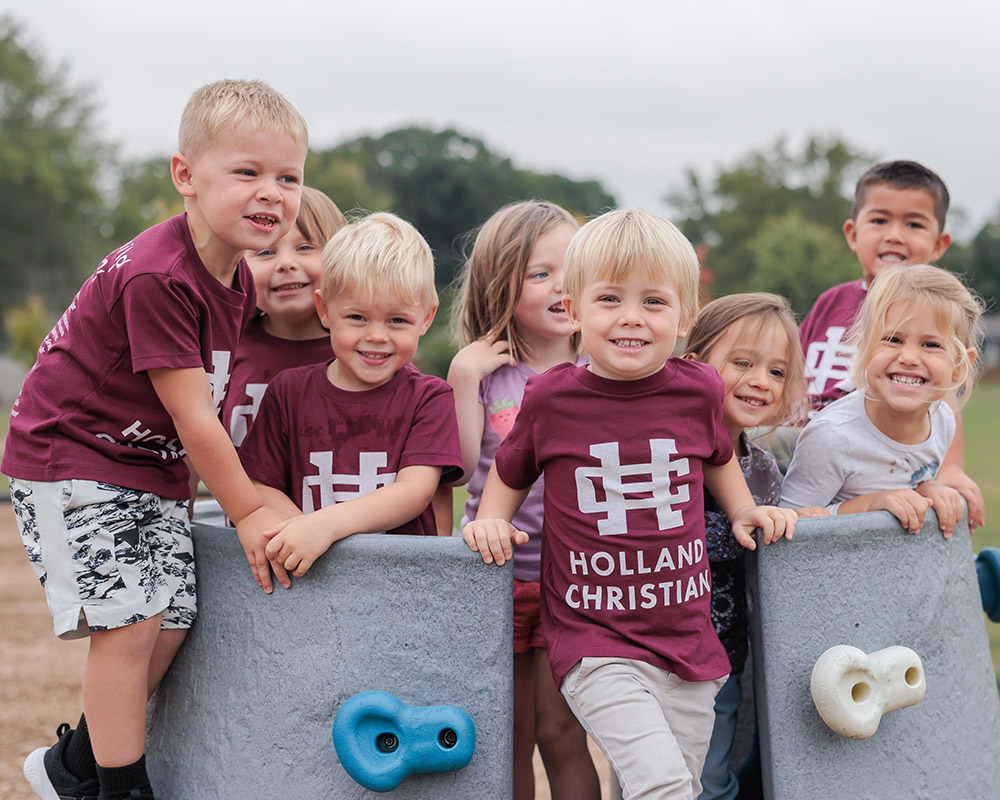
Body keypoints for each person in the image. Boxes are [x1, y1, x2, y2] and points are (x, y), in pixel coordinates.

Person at [3, 79, 308, 800]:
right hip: (71, 456)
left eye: (288, 177)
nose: (271, 192)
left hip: (145, 466)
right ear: (186, 177)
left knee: (171, 622)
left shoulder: (237, 274)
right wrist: (251, 512)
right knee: (131, 623)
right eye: (247, 172)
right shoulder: (159, 276)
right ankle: (119, 788)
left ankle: (71, 766)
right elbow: (194, 415)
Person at [462, 209, 798, 800]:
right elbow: (511, 468)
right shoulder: (552, 397)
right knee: (660, 785)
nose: (631, 319)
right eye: (611, 299)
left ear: (684, 314)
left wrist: (743, 509)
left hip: (688, 636)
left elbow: (719, 456)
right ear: (575, 308)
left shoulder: (697, 389)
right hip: (595, 635)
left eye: (654, 302)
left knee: (683, 784)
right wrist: (491, 518)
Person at [447, 200, 600, 800]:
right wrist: (462, 379)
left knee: (561, 733)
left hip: (578, 581)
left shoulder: (602, 369)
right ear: (501, 287)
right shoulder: (486, 376)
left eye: (573, 269)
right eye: (541, 274)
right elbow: (457, 469)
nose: (562, 287)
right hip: (497, 578)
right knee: (506, 734)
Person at [238, 212, 463, 577]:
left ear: (426, 317)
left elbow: (414, 491)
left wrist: (325, 527)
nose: (376, 335)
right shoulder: (288, 390)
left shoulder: (429, 397)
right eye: (357, 317)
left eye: (397, 320)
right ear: (325, 309)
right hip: (310, 578)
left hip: (398, 585)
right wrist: (301, 531)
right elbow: (260, 482)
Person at [795, 160, 984, 527]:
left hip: (881, 460)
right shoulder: (831, 301)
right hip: (813, 459)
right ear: (853, 234)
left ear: (939, 243)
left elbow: (941, 395)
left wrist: (951, 469)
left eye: (913, 224)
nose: (895, 235)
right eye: (880, 221)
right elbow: (792, 373)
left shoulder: (938, 310)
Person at [682, 294, 814, 800]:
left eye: (777, 372)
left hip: (727, 654)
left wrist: (798, 523)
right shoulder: (670, 452)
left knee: (713, 777)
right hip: (661, 654)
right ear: (695, 365)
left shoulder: (762, 467)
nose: (761, 380)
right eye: (743, 363)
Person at [781, 264, 984, 539]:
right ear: (862, 349)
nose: (909, 357)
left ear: (960, 366)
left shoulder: (942, 421)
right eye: (892, 339)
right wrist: (872, 505)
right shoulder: (832, 437)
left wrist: (926, 490)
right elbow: (789, 529)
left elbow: (907, 476)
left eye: (931, 344)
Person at [221, 186, 346, 449]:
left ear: (341, 257)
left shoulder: (360, 350)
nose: (285, 263)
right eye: (266, 252)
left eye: (304, 247)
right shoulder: (223, 349)